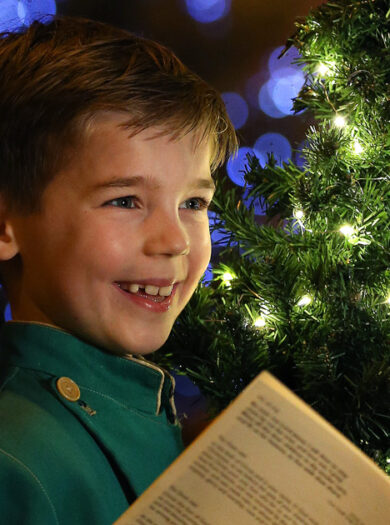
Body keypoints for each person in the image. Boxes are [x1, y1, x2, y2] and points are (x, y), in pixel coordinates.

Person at [0, 16, 237, 524]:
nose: (175, 240)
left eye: (193, 202)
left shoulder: (165, 413)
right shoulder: (14, 466)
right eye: (126, 200)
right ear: (5, 225)